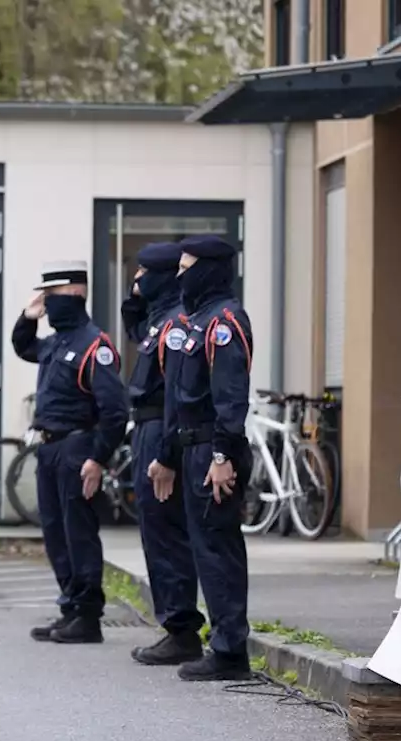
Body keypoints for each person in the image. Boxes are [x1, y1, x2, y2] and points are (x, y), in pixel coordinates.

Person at [148, 235, 253, 682]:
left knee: (217, 551)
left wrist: (222, 454)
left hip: (214, 452)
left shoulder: (225, 322)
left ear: (209, 269)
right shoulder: (197, 322)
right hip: (191, 450)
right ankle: (222, 644)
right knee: (204, 549)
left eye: (187, 267)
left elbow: (230, 397)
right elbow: (180, 399)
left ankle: (231, 651)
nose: (179, 276)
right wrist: (167, 454)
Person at [13, 262, 129, 645]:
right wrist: (28, 319)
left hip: (78, 448)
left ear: (75, 295)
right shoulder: (58, 341)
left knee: (78, 533)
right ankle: (70, 608)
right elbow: (24, 347)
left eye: (51, 297)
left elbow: (114, 411)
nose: (45, 304)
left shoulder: (95, 346)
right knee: (55, 532)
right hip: (49, 448)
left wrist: (98, 457)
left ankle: (87, 615)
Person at [121, 243, 205, 666]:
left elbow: (176, 397)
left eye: (142, 273)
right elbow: (137, 330)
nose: (136, 280)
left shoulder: (174, 325)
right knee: (156, 533)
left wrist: (167, 455)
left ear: (163, 276)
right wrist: (134, 300)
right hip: (149, 430)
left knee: (166, 534)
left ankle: (182, 630)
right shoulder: (159, 320)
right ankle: (177, 627)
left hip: (160, 432)